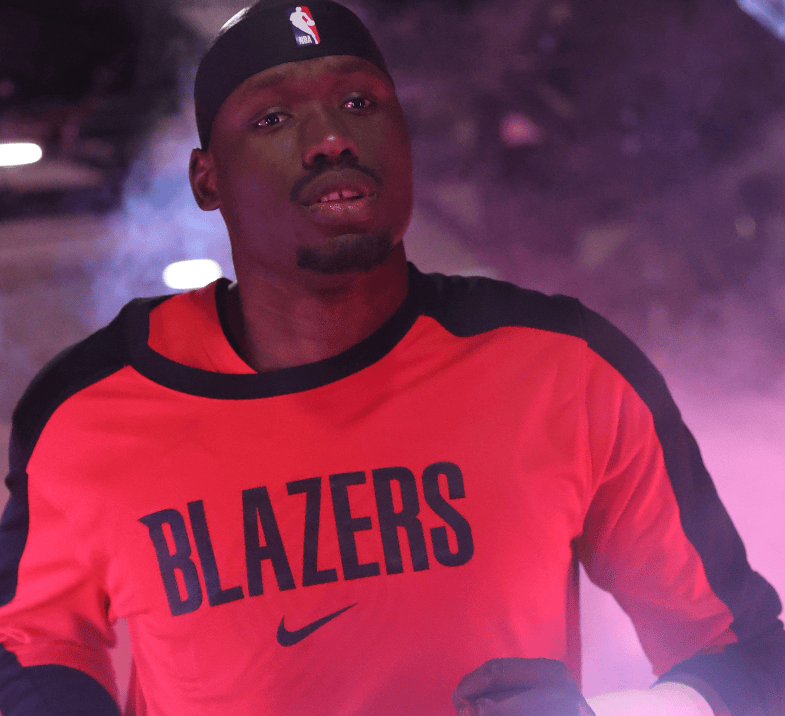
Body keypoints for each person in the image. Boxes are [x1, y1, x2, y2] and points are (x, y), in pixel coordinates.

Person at [0, 1, 783, 714]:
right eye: (273, 118)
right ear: (208, 179)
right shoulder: (89, 410)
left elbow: (748, 655)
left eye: (359, 104)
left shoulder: (565, 368)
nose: (330, 138)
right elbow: (28, 647)